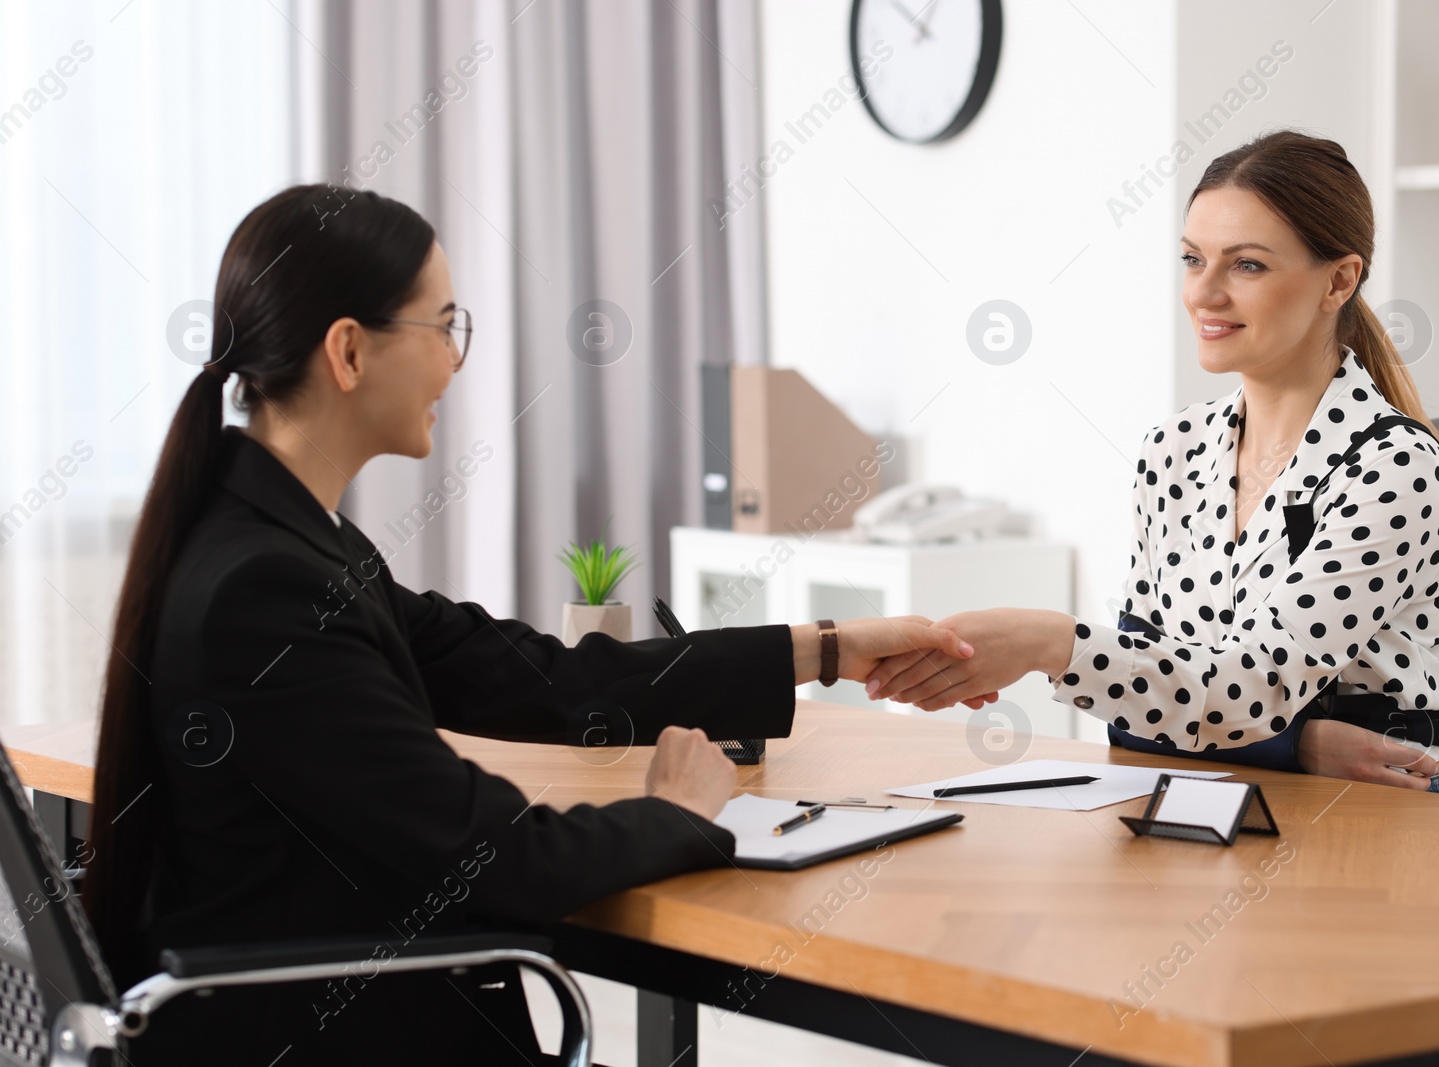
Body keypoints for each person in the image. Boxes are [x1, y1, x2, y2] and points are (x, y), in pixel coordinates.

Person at [82, 184, 985, 1062]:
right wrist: (673, 811)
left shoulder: (279, 538)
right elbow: (496, 857)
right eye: (444, 326)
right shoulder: (266, 588)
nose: (455, 360)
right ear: (349, 352)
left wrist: (824, 649)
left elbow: (549, 675)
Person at [866, 130, 1439, 800]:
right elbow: (1138, 710)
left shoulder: (1394, 468)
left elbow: (1242, 691)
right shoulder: (1174, 450)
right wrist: (1295, 745)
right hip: (1226, 789)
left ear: (1338, 280)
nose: (1204, 294)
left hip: (1393, 807)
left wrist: (1051, 642)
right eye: (1194, 260)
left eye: (1246, 266)